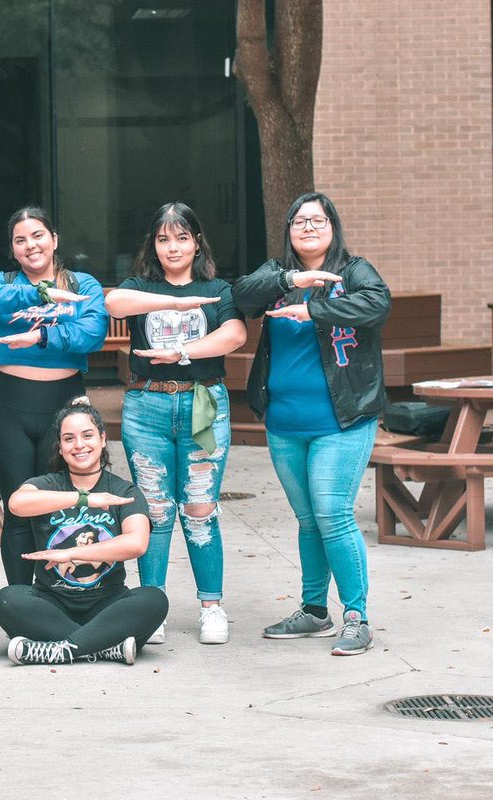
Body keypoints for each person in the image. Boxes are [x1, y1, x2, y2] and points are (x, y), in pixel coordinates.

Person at [233, 192, 390, 656]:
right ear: (289, 230)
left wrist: (314, 308)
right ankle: (314, 611)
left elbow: (378, 305)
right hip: (284, 422)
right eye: (299, 221)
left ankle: (356, 616)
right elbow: (242, 295)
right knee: (308, 521)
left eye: (317, 220)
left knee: (333, 515)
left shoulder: (354, 271)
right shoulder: (277, 276)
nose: (308, 228)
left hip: (342, 419)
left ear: (333, 227)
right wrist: (290, 280)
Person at [105, 202, 247, 646]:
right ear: (154, 243)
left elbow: (235, 335)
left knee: (201, 509)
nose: (173, 246)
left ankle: (212, 606)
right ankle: (154, 606)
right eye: (164, 238)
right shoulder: (140, 286)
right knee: (156, 512)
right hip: (147, 406)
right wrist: (175, 300)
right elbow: (113, 301)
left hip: (205, 405)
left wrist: (183, 353)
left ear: (197, 241)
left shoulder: (218, 288)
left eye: (182, 237)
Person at [0, 206, 108, 585]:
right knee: (18, 507)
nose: (31, 245)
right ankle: (20, 601)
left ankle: (55, 595)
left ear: (54, 239)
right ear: (13, 250)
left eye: (38, 235)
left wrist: (43, 336)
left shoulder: (83, 285)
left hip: (63, 406)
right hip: (6, 405)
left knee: (56, 506)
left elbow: (92, 333)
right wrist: (40, 292)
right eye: (20, 240)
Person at [0, 400, 167, 665]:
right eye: (69, 438)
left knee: (154, 599)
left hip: (108, 603)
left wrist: (73, 553)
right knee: (8, 599)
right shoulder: (47, 485)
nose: (79, 445)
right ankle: (105, 647)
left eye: (87, 435)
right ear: (60, 448)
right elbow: (16, 504)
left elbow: (137, 543)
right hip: (52, 602)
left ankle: (62, 649)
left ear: (103, 438)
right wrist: (84, 499)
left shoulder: (124, 491)